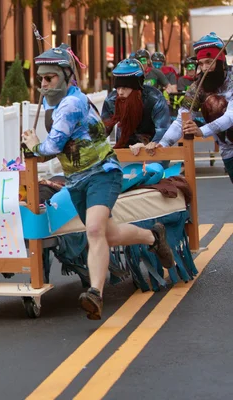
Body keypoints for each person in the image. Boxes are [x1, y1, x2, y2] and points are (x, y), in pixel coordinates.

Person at [21, 44, 175, 320]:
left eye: (50, 78)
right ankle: (153, 236)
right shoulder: (53, 104)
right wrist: (32, 148)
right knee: (108, 234)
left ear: (66, 76)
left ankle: (95, 294)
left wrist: (35, 145)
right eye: (40, 79)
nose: (43, 84)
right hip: (76, 180)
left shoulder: (71, 103)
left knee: (93, 230)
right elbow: (53, 151)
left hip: (102, 173)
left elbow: (52, 146)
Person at [157, 33, 233, 183]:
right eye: (201, 63)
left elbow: (231, 116)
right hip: (228, 150)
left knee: (215, 103)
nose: (205, 68)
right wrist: (163, 144)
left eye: (209, 62)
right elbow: (181, 120)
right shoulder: (197, 87)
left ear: (220, 61)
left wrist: (201, 131)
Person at [101, 58, 171, 152]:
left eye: (125, 88)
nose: (120, 92)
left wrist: (149, 144)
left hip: (153, 150)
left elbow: (163, 130)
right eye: (118, 88)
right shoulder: (111, 100)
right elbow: (102, 131)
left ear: (137, 88)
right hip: (124, 150)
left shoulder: (155, 99)